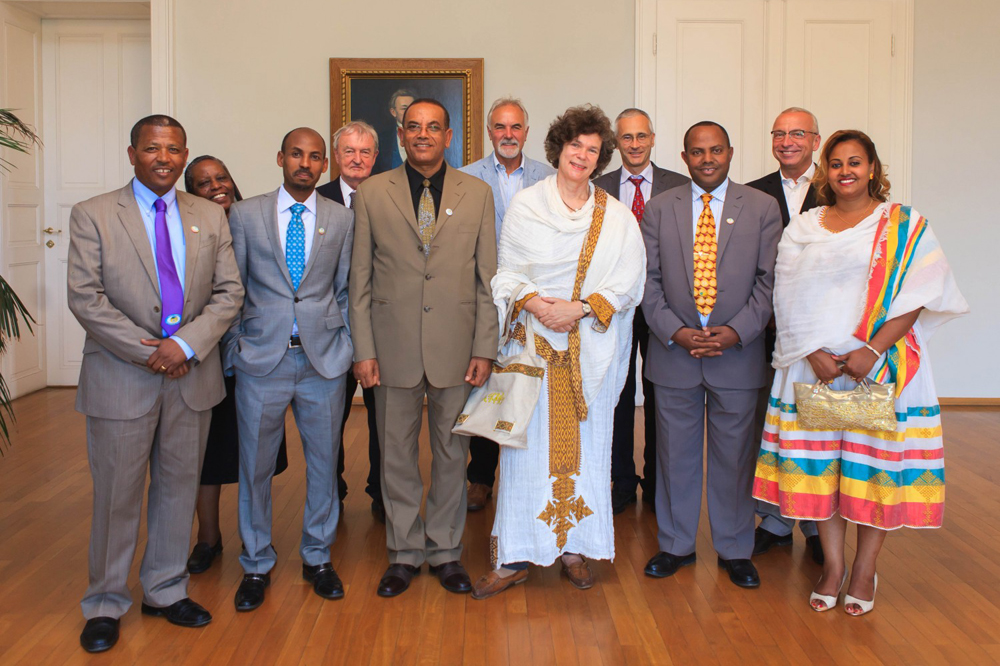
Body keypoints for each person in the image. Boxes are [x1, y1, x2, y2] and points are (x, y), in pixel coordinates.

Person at [752, 129, 968, 615]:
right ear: (824, 171)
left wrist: (872, 350)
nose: (845, 171)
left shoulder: (904, 224)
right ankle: (832, 564)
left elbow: (919, 293)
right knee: (823, 472)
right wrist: (813, 352)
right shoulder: (803, 227)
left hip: (882, 369)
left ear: (872, 168)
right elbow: (784, 297)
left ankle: (865, 569)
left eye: (855, 162)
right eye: (835, 163)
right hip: (815, 370)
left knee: (872, 473)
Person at [68, 115, 244, 653]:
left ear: (185, 154)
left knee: (176, 489)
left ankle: (165, 590)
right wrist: (152, 352)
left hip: (191, 376)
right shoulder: (94, 214)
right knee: (117, 496)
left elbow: (229, 292)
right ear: (132, 154)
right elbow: (86, 298)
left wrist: (186, 345)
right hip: (123, 378)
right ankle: (104, 602)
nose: (163, 158)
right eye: (152, 149)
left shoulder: (209, 215)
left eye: (172, 149)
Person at [472, 105, 645, 600]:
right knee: (524, 456)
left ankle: (575, 549)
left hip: (590, 352)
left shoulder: (613, 216)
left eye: (593, 150)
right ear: (558, 149)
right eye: (576, 146)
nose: (583, 156)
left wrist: (580, 309)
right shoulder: (528, 205)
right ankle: (514, 556)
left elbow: (630, 279)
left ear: (600, 157)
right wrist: (536, 305)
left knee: (587, 454)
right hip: (533, 351)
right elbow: (506, 273)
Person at [350, 98, 498, 598]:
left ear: (449, 136)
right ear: (401, 136)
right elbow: (360, 282)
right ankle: (405, 553)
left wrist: (485, 347)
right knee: (395, 456)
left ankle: (446, 551)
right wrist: (363, 350)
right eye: (413, 127)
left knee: (452, 454)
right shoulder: (372, 193)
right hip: (390, 349)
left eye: (433, 127)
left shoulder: (477, 194)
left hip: (458, 349)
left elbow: (487, 280)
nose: (423, 134)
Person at [641, 121, 781, 589]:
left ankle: (736, 547)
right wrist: (676, 331)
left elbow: (769, 282)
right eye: (697, 152)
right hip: (674, 353)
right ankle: (676, 544)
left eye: (715, 150)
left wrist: (736, 332)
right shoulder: (660, 208)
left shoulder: (762, 208)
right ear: (683, 157)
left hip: (737, 355)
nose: (707, 159)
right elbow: (647, 280)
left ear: (730, 153)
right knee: (674, 456)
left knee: (734, 457)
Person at [224, 128, 354, 611]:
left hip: (322, 361)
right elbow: (232, 288)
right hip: (262, 359)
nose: (305, 163)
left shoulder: (341, 220)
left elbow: (343, 291)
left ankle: (318, 556)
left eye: (315, 157)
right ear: (281, 158)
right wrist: (236, 346)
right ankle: (256, 562)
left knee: (324, 464)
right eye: (296, 154)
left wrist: (347, 345)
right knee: (255, 466)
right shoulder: (246, 214)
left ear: (326, 165)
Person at [182, 156, 290, 574]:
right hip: (205, 356)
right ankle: (208, 537)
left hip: (257, 356)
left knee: (253, 452)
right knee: (206, 453)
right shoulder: (190, 229)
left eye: (221, 178)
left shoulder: (256, 220)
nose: (215, 187)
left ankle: (257, 541)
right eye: (203, 183)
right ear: (191, 193)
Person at [459, 97, 555, 512]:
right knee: (485, 383)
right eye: (500, 127)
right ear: (489, 132)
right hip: (483, 297)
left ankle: (527, 478)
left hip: (533, 300)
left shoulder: (549, 178)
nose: (508, 135)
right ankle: (480, 477)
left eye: (515, 127)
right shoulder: (465, 178)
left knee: (528, 383)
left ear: (527, 133)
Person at [594, 108, 688, 514]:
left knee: (661, 395)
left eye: (641, 136)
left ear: (653, 138)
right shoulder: (597, 187)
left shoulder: (681, 186)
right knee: (616, 393)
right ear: (616, 142)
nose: (634, 144)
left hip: (666, 305)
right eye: (626, 138)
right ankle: (620, 479)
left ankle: (657, 483)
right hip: (615, 306)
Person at [745, 107, 823, 563]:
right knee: (769, 424)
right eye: (779, 133)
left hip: (820, 332)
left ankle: (816, 524)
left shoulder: (839, 190)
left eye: (797, 134)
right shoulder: (753, 194)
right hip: (766, 327)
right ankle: (774, 520)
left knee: (814, 425)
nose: (787, 141)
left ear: (816, 140)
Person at [317, 121, 385, 522]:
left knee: (384, 418)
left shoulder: (391, 195)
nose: (357, 159)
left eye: (365, 152)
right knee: (328, 417)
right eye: (348, 151)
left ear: (375, 157)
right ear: (336, 157)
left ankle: (381, 492)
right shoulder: (316, 198)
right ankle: (331, 491)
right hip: (329, 331)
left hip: (381, 327)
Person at [373, 88, 415, 173]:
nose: (409, 112)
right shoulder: (381, 139)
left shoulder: (425, 136)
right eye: (404, 108)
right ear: (393, 112)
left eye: (412, 108)